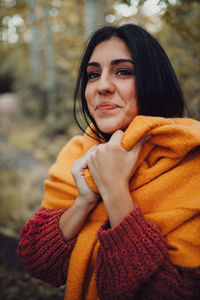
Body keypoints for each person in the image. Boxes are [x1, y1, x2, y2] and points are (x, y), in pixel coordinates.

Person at [17, 24, 200, 300]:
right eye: (93, 74)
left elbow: (174, 292)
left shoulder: (192, 162)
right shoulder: (77, 154)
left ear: (154, 80)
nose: (102, 86)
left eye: (123, 71)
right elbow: (37, 262)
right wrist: (84, 201)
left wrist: (114, 190)